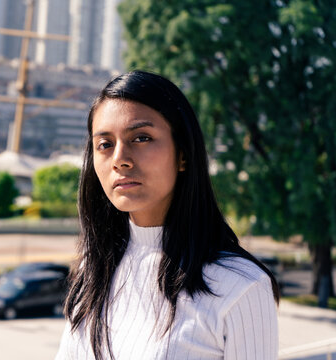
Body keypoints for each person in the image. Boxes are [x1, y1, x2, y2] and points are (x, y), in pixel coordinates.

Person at [55, 70, 279, 360]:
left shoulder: (241, 287)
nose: (120, 159)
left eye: (142, 137)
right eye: (105, 144)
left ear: (183, 154)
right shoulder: (94, 268)